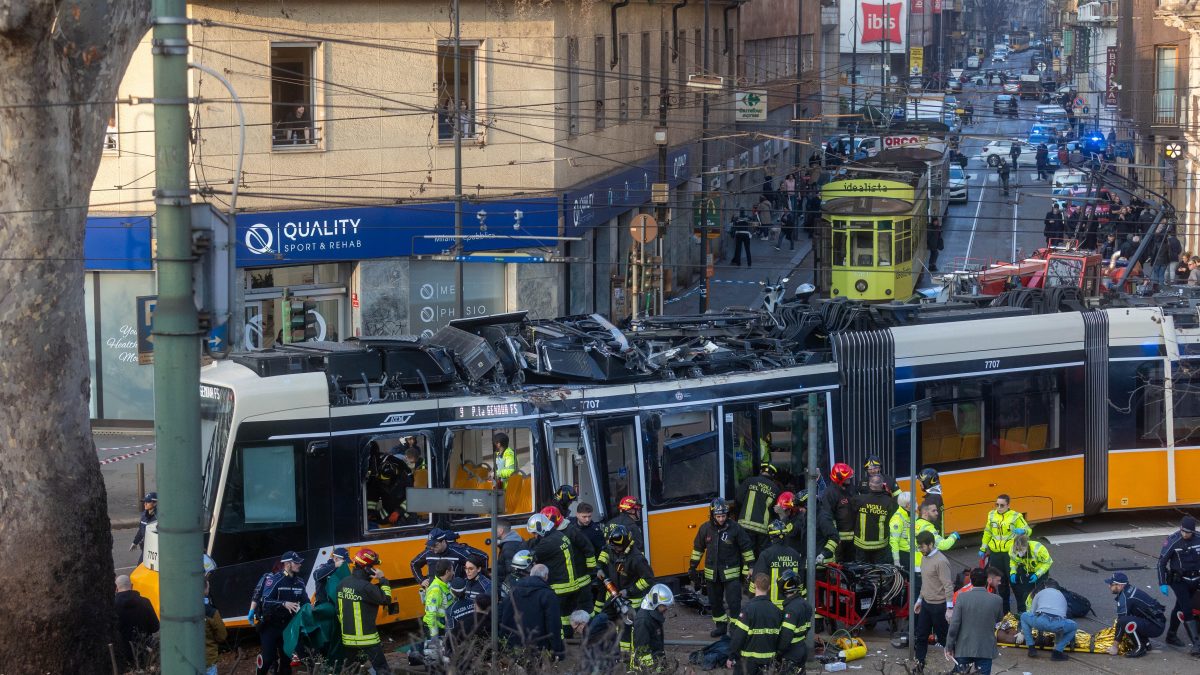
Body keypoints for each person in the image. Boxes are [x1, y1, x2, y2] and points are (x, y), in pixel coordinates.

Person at [689, 498, 755, 637]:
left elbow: (746, 548)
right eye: (718, 516)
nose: (721, 519)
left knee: (734, 603)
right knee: (715, 602)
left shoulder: (735, 528)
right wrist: (693, 567)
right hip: (712, 574)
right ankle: (721, 626)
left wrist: (751, 566)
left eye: (723, 516)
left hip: (731, 574)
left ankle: (735, 628)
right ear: (712, 515)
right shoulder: (705, 529)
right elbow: (698, 549)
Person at [527, 510, 592, 639]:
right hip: (572, 586)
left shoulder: (547, 543)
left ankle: (560, 643)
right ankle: (567, 638)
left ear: (540, 529)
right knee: (565, 616)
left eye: (534, 533)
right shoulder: (559, 535)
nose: (534, 536)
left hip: (559, 587)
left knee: (555, 618)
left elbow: (530, 556)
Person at [593, 523, 654, 653]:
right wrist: (599, 568)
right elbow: (603, 556)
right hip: (614, 595)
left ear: (625, 544)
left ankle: (627, 656)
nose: (615, 549)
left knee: (627, 630)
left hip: (631, 600)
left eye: (617, 547)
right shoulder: (612, 547)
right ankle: (607, 649)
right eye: (613, 547)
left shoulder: (636, 558)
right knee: (605, 620)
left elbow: (648, 578)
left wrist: (629, 591)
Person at [334, 548, 392, 673]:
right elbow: (386, 599)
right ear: (367, 569)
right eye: (373, 567)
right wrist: (383, 579)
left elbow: (338, 610)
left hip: (347, 638)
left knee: (350, 669)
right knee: (382, 669)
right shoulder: (366, 587)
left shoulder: (342, 583)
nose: (375, 569)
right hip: (368, 638)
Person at [254, 551, 308, 675]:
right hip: (270, 625)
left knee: (286, 662)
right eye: (296, 562)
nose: (300, 564)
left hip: (288, 627)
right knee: (268, 659)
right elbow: (265, 600)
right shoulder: (274, 579)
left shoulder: (300, 582)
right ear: (288, 564)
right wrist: (283, 603)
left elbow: (305, 602)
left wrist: (311, 607)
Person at [499, 563, 565, 661]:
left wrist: (503, 641)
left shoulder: (513, 592)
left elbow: (502, 614)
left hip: (514, 646)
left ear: (530, 574)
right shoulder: (548, 595)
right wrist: (557, 650)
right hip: (539, 648)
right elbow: (553, 624)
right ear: (546, 576)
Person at [947, 568, 1004, 674]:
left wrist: (949, 646)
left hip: (964, 647)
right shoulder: (997, 600)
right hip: (985, 648)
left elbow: (954, 625)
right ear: (986, 580)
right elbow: (999, 619)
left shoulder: (961, 597)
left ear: (971, 581)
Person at [979, 494, 1030, 615]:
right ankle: (1006, 614)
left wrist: (1023, 531)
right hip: (995, 554)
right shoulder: (991, 515)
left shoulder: (1015, 516)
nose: (999, 507)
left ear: (1008, 505)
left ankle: (1022, 612)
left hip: (1009, 555)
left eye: (1002, 505)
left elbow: (1028, 530)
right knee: (1001, 585)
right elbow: (987, 532)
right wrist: (983, 548)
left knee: (1015, 584)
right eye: (997, 504)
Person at [913, 531, 954, 673]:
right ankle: (919, 665)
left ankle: (959, 663)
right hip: (926, 604)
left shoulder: (941, 561)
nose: (920, 550)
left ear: (931, 544)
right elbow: (926, 582)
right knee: (921, 635)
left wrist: (949, 608)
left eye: (922, 547)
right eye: (919, 547)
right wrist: (919, 599)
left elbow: (948, 585)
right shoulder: (924, 558)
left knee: (943, 638)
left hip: (939, 606)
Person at [1158, 515, 1200, 654]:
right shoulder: (1173, 541)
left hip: (1195, 579)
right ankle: (1196, 643)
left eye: (1188, 532)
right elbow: (1161, 563)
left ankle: (1171, 635)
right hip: (1179, 580)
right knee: (1187, 609)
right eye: (1183, 531)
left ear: (1193, 531)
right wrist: (1162, 582)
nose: (1185, 534)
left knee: (1179, 607)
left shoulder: (1198, 538)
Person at [726, 573, 783, 675]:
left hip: (748, 662)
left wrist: (731, 656)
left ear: (755, 586)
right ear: (769, 587)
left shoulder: (748, 610)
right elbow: (780, 637)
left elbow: (739, 636)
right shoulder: (777, 611)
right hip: (769, 662)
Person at [1106, 571, 1167, 658]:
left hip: (1156, 626)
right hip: (1157, 622)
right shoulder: (1129, 589)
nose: (1109, 586)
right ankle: (1146, 643)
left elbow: (1121, 622)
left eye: (1111, 584)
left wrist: (1114, 646)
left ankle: (1140, 648)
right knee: (1132, 618)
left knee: (1126, 622)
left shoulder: (1125, 597)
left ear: (1119, 586)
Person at [775, 489, 838, 566]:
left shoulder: (823, 517)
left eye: (801, 507)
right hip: (809, 564)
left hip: (822, 565)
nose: (800, 510)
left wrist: (824, 554)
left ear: (809, 505)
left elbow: (835, 537)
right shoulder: (807, 516)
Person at [1019, 579, 1076, 662]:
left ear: (1045, 586)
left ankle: (1031, 648)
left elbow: (1033, 613)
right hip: (1057, 625)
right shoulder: (1062, 596)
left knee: (1024, 616)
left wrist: (1022, 632)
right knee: (1073, 626)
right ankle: (1057, 651)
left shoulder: (1040, 593)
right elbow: (1063, 616)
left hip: (1041, 622)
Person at [410, 528, 488, 587]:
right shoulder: (428, 553)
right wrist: (421, 580)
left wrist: (468, 582)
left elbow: (476, 564)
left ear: (443, 542)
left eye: (435, 545)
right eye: (430, 545)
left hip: (452, 593)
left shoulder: (457, 553)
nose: (432, 548)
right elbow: (414, 564)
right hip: (434, 593)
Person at [752, 520, 802, 609]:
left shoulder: (766, 554)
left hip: (771, 607)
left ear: (771, 536)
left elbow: (758, 579)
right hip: (792, 606)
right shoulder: (795, 554)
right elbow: (802, 580)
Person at [115, 574, 160, 670]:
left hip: (123, 654)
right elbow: (155, 627)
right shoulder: (145, 602)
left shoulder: (113, 606)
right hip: (145, 652)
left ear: (116, 588)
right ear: (131, 586)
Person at [736, 463, 782, 555]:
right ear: (773, 475)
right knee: (762, 556)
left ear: (761, 471)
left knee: (747, 555)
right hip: (763, 530)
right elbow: (775, 511)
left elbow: (739, 499)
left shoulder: (749, 481)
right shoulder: (776, 489)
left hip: (745, 527)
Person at [629, 584, 673, 668]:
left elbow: (657, 645)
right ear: (655, 602)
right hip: (644, 669)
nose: (666, 608)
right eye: (664, 605)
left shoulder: (653, 616)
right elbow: (642, 651)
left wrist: (662, 666)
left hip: (655, 664)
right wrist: (652, 670)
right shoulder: (643, 620)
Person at [853, 474, 895, 563]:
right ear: (882, 485)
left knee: (862, 573)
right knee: (879, 572)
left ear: (869, 485)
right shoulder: (889, 501)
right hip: (880, 546)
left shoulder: (860, 499)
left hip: (861, 545)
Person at [777, 570, 814, 671]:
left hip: (791, 652)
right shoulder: (805, 604)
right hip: (802, 648)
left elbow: (786, 635)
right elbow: (807, 627)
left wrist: (779, 652)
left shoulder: (790, 609)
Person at [821, 462, 858, 562]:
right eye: (848, 477)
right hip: (840, 541)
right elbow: (828, 517)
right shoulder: (830, 494)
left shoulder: (851, 488)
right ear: (840, 479)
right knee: (841, 566)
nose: (850, 478)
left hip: (854, 539)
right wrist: (835, 536)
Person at [1009, 534, 1053, 613]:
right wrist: (1013, 572)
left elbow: (1047, 562)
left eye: (1021, 550)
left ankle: (1041, 612)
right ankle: (1026, 613)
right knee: (1026, 594)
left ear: (1026, 546)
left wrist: (1037, 574)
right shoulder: (1013, 550)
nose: (1019, 553)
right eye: (1017, 550)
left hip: (1040, 571)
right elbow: (1013, 561)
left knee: (1041, 593)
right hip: (1027, 571)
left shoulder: (1038, 549)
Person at [422, 561, 455, 640]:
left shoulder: (445, 584)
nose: (453, 573)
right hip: (435, 628)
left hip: (442, 625)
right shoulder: (436, 590)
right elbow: (430, 614)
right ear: (447, 572)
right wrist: (434, 635)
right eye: (452, 570)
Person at [204, 577, 227, 675]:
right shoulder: (211, 612)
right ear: (205, 590)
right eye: (208, 588)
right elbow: (222, 636)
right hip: (207, 660)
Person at [131, 492, 158, 563]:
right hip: (145, 548)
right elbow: (141, 530)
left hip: (155, 550)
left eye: (148, 502)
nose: (145, 504)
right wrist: (135, 542)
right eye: (144, 502)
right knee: (139, 567)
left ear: (155, 503)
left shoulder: (158, 518)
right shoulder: (144, 514)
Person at [918, 468, 944, 533]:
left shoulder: (932, 499)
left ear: (927, 481)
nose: (920, 484)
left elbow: (933, 521)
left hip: (931, 539)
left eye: (921, 481)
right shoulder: (935, 496)